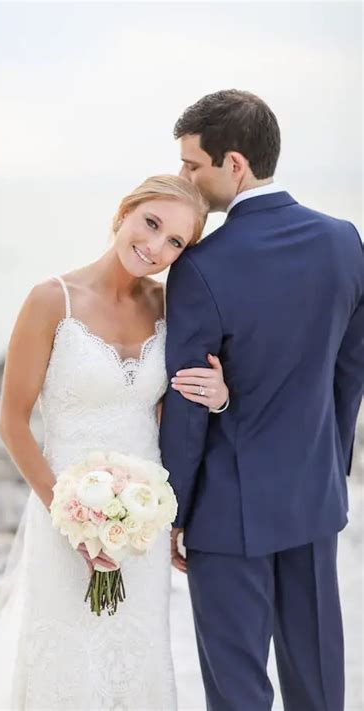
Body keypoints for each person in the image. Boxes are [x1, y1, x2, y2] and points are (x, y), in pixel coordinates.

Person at [0, 175, 229, 710]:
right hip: (63, 515)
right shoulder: (50, 300)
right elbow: (13, 423)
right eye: (151, 224)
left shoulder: (173, 307)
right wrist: (73, 517)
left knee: (136, 654)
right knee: (66, 659)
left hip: (144, 522)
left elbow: (176, 408)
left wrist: (219, 395)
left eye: (175, 243)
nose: (155, 248)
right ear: (124, 212)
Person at [161, 89, 364, 711]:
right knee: (320, 677)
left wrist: (174, 507)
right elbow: (348, 374)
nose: (184, 177)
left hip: (226, 508)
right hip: (313, 492)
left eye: (193, 165)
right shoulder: (344, 242)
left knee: (238, 687)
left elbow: (191, 403)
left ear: (234, 164)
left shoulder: (200, 266)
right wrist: (328, 466)